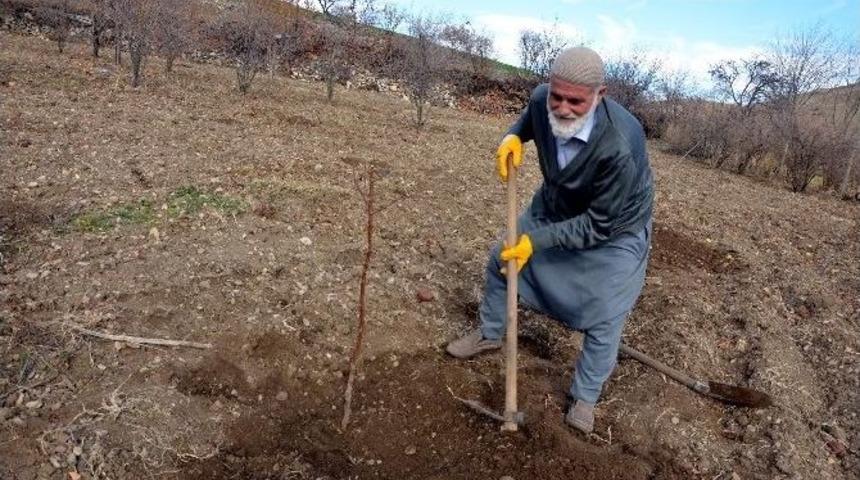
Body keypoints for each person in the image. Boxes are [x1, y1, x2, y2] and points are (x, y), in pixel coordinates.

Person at [446, 47, 654, 434]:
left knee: (605, 311)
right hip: (556, 204)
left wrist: (536, 242)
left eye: (576, 101)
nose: (563, 107)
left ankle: (585, 396)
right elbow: (529, 120)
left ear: (600, 95)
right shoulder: (542, 98)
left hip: (613, 229)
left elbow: (597, 226)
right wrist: (512, 136)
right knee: (502, 259)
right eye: (558, 96)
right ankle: (491, 333)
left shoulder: (621, 145)